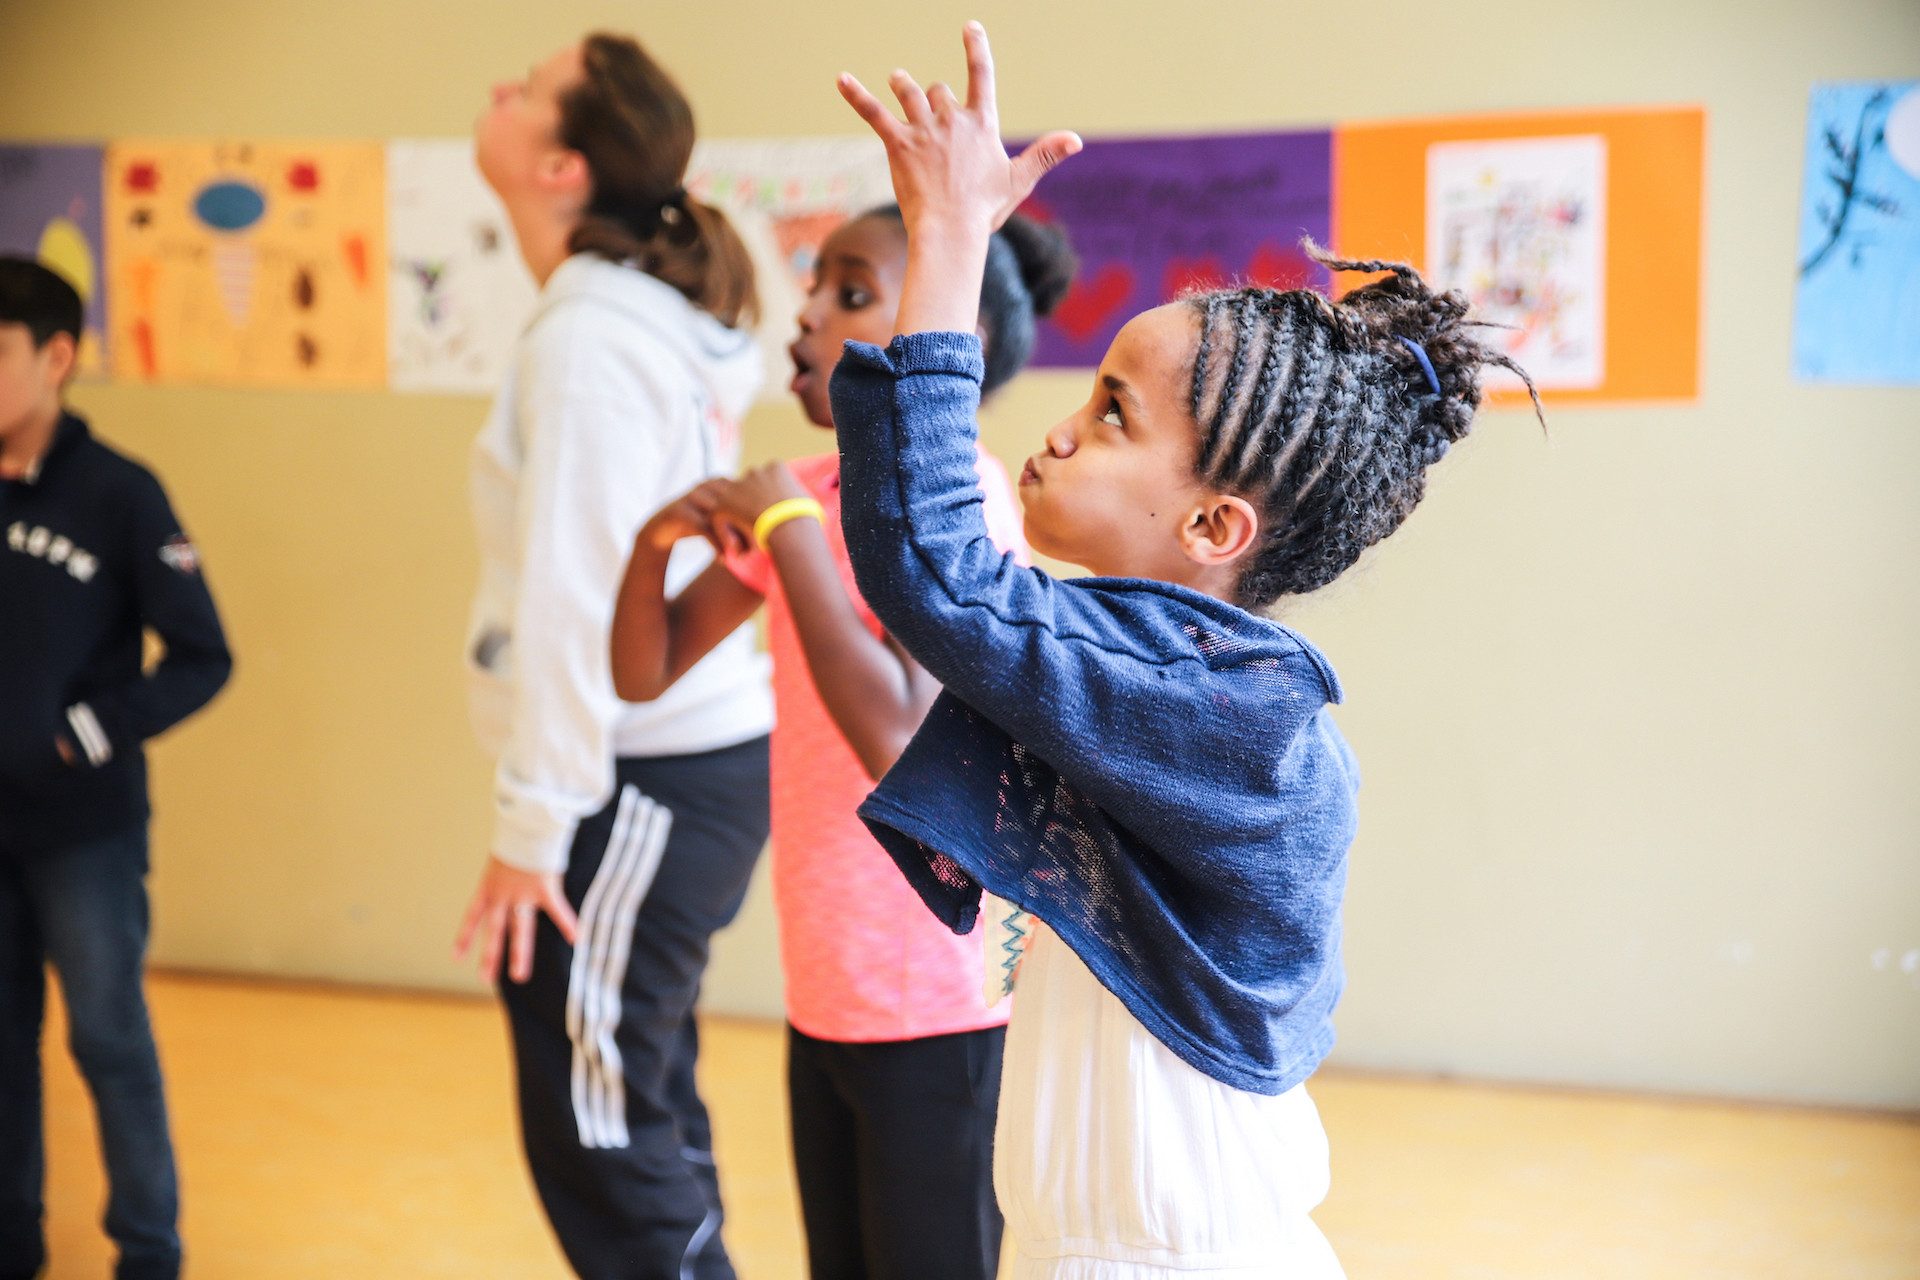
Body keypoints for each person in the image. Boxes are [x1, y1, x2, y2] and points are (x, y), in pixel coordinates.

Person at [829, 26, 1542, 1278]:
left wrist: (948, 240)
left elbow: (937, 570)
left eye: (1114, 413)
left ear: (1215, 527)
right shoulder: (1172, 669)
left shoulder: (1220, 714)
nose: (1062, 432)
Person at [609, 203, 1073, 1279]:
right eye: (814, 286)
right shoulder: (813, 492)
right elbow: (642, 671)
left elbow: (896, 734)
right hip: (827, 983)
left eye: (851, 294)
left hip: (936, 997)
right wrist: (653, 542)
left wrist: (787, 532)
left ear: (950, 336)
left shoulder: (958, 506)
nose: (808, 315)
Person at [450, 35, 773, 1280]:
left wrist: (532, 827)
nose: (500, 88)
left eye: (526, 87)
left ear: (562, 165)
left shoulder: (589, 337)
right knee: (639, 1098)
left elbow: (575, 597)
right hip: (659, 772)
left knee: (606, 1124)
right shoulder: (614, 318)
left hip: (641, 776)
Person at [0, 257, 232, 1280]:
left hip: (84, 834)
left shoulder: (121, 495)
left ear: (57, 358)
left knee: (107, 1038)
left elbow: (202, 656)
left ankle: (148, 1248)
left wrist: (87, 731)